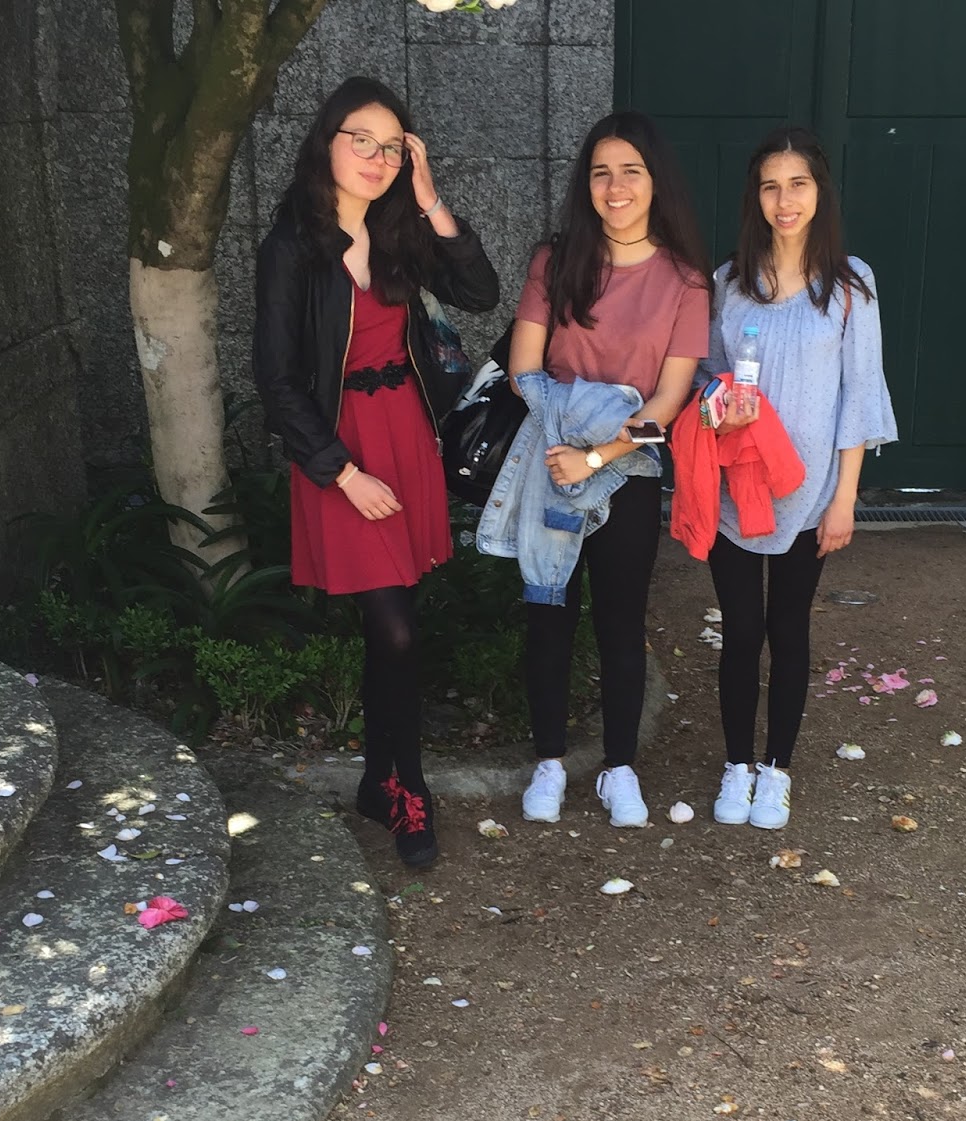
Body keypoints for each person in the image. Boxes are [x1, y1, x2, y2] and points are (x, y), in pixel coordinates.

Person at [253, 75, 499, 868]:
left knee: (392, 629)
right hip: (342, 453)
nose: (377, 157)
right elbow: (276, 380)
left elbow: (480, 290)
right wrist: (341, 472)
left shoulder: (400, 234)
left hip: (406, 439)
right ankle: (407, 788)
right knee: (394, 629)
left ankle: (377, 780)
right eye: (361, 139)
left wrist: (429, 200)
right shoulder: (292, 247)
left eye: (392, 147)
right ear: (326, 142)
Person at [499, 111, 710, 828]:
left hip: (627, 473)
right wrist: (573, 443)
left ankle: (619, 767)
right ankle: (549, 762)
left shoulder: (685, 281)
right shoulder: (554, 263)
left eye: (630, 172)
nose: (615, 187)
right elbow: (523, 371)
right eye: (600, 172)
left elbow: (669, 401)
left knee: (621, 624)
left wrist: (596, 453)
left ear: (656, 182)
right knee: (548, 615)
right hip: (549, 467)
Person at [703, 127, 897, 829]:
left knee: (788, 629)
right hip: (735, 486)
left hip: (810, 493)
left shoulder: (850, 285)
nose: (784, 201)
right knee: (740, 629)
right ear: (754, 197)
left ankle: (775, 770)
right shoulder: (728, 283)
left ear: (820, 192)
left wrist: (845, 499)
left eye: (798, 185)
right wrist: (717, 406)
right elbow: (704, 376)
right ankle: (735, 765)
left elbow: (860, 394)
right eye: (770, 187)